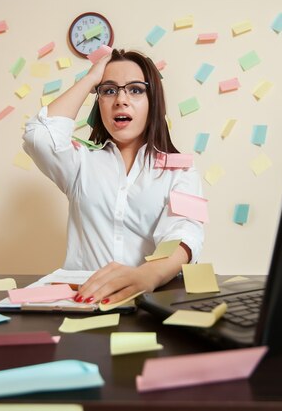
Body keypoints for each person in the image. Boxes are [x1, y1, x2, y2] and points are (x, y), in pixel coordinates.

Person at [23, 49, 205, 306]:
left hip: (148, 301)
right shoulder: (80, 161)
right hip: (82, 301)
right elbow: (38, 136)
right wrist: (91, 79)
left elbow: (185, 233)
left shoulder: (182, 171)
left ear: (153, 101)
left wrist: (147, 276)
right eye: (109, 90)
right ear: (99, 102)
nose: (121, 99)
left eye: (135, 90)